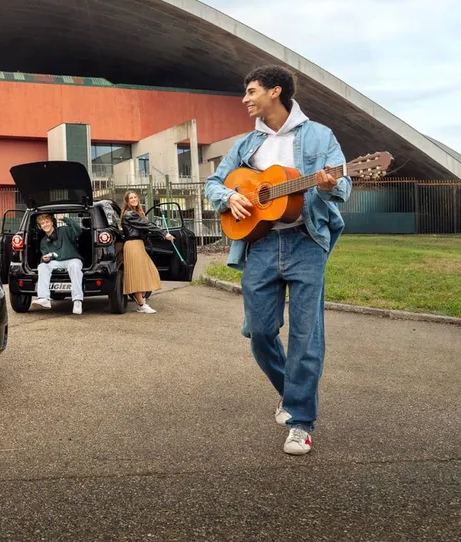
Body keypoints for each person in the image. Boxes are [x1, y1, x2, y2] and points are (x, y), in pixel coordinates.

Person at [205, 65, 350, 456]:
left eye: (251, 91)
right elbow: (214, 183)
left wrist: (331, 184)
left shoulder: (320, 136)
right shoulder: (247, 144)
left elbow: (346, 183)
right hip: (262, 245)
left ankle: (301, 421)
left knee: (306, 335)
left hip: (306, 243)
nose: (245, 99)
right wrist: (230, 198)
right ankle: (291, 391)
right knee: (260, 332)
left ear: (276, 91)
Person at [119, 190, 173, 314]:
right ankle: (142, 304)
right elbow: (146, 225)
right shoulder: (129, 214)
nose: (133, 199)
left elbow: (144, 227)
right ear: (127, 202)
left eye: (135, 197)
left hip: (139, 245)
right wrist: (164, 233)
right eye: (131, 198)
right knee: (137, 275)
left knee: (148, 272)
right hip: (133, 245)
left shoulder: (136, 213)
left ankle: (139, 298)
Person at [34, 213, 85, 315]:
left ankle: (77, 301)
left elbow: (78, 231)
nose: (45, 225)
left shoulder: (64, 230)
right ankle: (44, 298)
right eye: (42, 223)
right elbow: (47, 256)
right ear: (40, 226)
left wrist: (65, 219)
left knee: (74, 266)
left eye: (47, 222)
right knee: (42, 266)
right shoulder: (43, 241)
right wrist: (45, 259)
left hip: (72, 259)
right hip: (56, 262)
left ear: (52, 222)